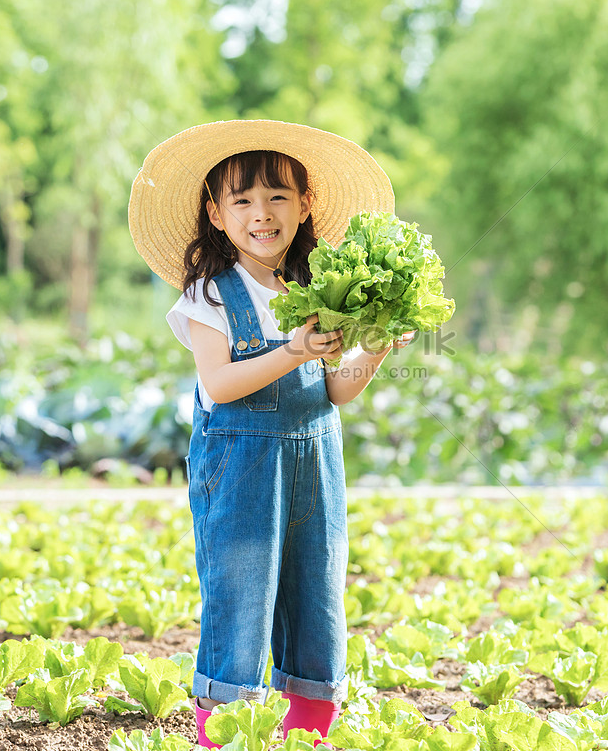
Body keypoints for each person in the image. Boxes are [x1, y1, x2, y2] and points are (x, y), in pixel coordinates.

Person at [128, 120, 414, 747]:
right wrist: (292, 349)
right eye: (243, 200)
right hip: (241, 469)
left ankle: (308, 731)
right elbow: (221, 384)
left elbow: (335, 391)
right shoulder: (210, 292)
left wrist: (375, 347)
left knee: (317, 596)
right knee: (241, 597)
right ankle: (225, 733)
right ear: (217, 214)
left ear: (305, 203)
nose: (263, 213)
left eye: (278, 197)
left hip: (316, 464)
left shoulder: (315, 288)